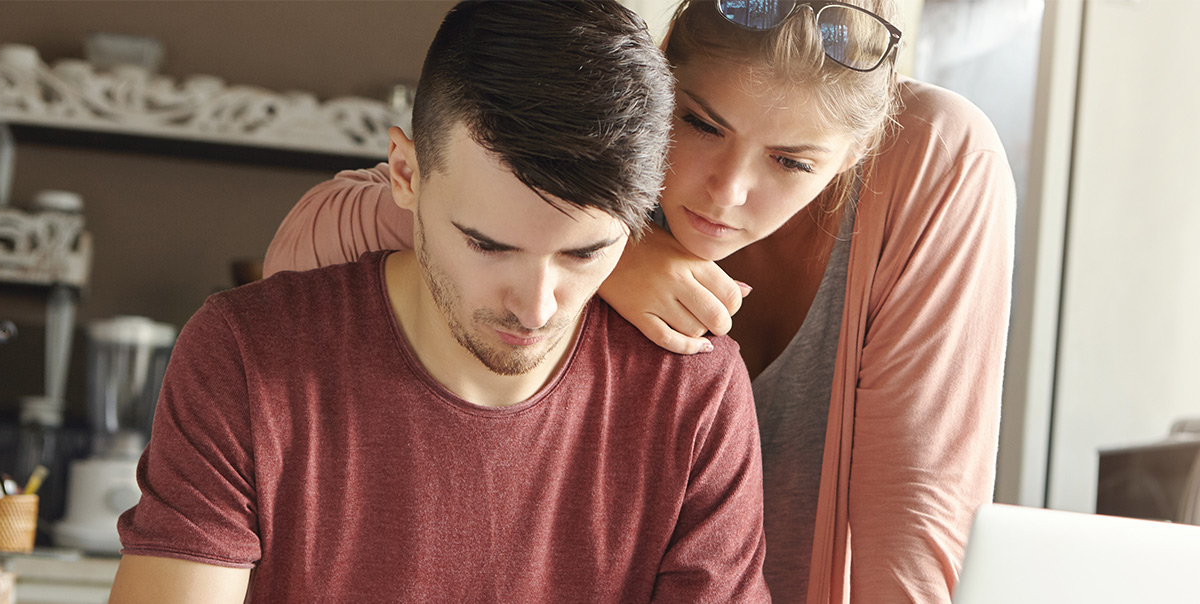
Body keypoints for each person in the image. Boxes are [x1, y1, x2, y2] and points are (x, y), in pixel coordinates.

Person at [264, 0, 1016, 602]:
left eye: (791, 161)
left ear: (856, 154)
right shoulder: (613, 140)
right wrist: (601, 251)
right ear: (658, 86)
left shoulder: (936, 161)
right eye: (700, 124)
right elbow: (305, 242)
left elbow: (915, 530)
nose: (728, 191)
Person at [109, 2, 771, 602]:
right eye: (488, 245)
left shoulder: (695, 395)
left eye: (584, 254)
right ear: (404, 173)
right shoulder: (247, 356)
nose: (537, 308)